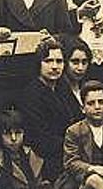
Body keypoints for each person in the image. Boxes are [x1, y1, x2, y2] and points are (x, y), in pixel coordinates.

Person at [16, 38, 73, 180]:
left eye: (59, 61)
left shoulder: (62, 87)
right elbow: (40, 138)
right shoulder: (30, 94)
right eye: (48, 61)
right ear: (39, 64)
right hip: (47, 161)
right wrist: (74, 146)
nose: (54, 66)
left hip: (70, 152)